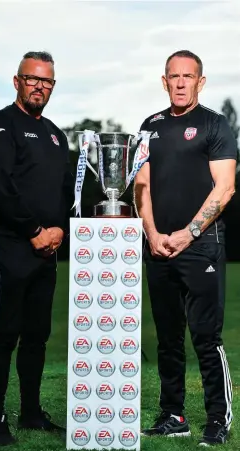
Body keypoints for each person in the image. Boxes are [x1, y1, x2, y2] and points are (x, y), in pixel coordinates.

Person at [134, 50, 237, 446]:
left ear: (200, 81)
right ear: (164, 81)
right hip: (158, 248)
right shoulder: (150, 125)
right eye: (173, 77)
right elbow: (141, 186)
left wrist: (187, 233)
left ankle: (217, 420)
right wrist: (153, 233)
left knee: (206, 337)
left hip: (201, 246)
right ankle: (173, 415)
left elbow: (225, 188)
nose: (180, 83)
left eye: (187, 76)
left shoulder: (215, 124)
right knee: (168, 337)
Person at [0, 51, 74, 446]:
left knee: (37, 336)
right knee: (5, 334)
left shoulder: (56, 134)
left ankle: (32, 413)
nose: (40, 86)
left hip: (47, 250)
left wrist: (60, 230)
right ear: (17, 81)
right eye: (32, 78)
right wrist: (34, 229)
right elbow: (0, 187)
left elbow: (67, 190)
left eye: (47, 81)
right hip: (11, 246)